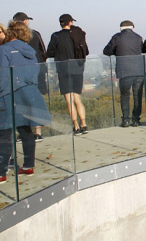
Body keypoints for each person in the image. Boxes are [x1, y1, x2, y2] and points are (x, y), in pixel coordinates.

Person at [0, 21, 51, 181]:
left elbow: (3, 76)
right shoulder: (30, 51)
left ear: (10, 32)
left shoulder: (4, 50)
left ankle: (1, 172)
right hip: (28, 94)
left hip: (9, 95)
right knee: (26, 131)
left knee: (4, 133)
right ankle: (28, 166)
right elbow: (34, 71)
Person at [46, 14, 88, 136]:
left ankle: (76, 126)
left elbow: (49, 52)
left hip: (63, 70)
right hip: (78, 68)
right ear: (70, 22)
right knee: (77, 98)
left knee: (69, 100)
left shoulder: (56, 36)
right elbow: (86, 50)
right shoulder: (78, 35)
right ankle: (84, 124)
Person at [12, 12, 47, 141]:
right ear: (25, 21)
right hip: (36, 70)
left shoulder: (12, 37)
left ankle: (24, 132)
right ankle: (37, 132)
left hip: (19, 73)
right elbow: (43, 52)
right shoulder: (35, 34)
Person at [103, 20, 145, 127]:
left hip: (124, 70)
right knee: (138, 96)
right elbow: (142, 49)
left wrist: (117, 51)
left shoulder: (116, 37)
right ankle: (136, 120)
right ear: (132, 27)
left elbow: (106, 51)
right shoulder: (138, 37)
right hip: (139, 70)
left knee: (125, 95)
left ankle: (125, 119)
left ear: (121, 28)